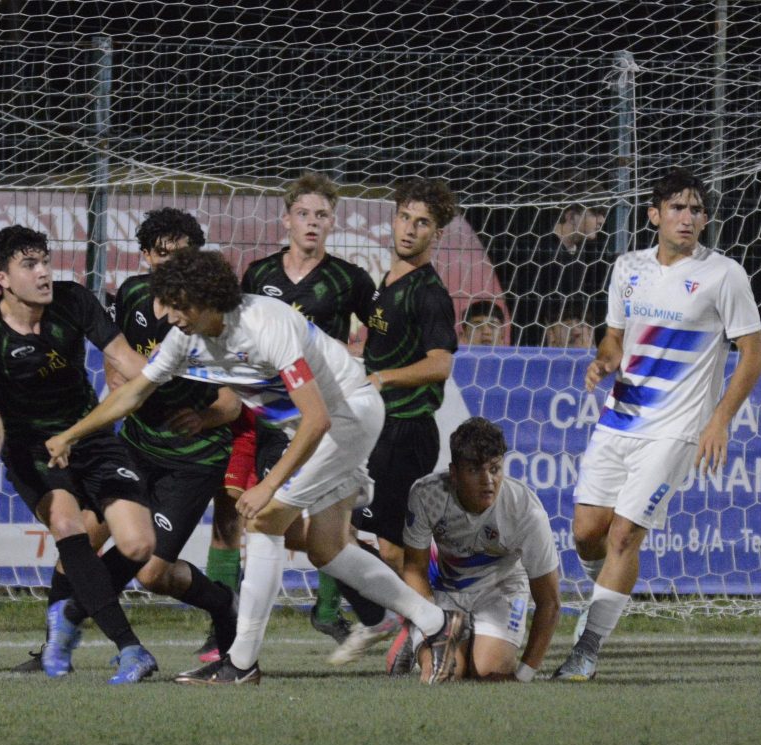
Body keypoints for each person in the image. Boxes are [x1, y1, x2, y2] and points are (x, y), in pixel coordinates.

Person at [45, 248, 469, 686]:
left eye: (175, 304)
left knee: (264, 520)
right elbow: (134, 393)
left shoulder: (266, 323)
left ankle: (242, 662)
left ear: (205, 298)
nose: (167, 316)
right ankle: (437, 623)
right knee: (327, 549)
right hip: (310, 427)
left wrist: (269, 487)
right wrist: (70, 435)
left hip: (348, 416)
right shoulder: (184, 339)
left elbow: (317, 416)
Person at [554, 168, 761, 681]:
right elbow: (614, 338)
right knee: (587, 534)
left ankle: (587, 648)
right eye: (677, 207)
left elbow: (753, 355)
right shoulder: (628, 267)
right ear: (654, 215)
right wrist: (604, 362)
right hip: (620, 417)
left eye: (696, 209)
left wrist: (719, 421)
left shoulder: (724, 274)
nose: (687, 217)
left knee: (625, 535)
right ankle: (603, 592)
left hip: (675, 430)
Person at [11, 207, 242, 674]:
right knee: (80, 534)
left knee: (152, 572)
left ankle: (222, 606)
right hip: (136, 444)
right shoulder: (134, 294)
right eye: (162, 255)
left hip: (192, 459)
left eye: (183, 256)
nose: (172, 265)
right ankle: (55, 647)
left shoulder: (210, 316)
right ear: (146, 257)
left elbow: (235, 401)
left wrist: (203, 417)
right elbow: (115, 361)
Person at [0, 225, 158, 684]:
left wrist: (172, 380)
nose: (45, 273)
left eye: (46, 261)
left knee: (138, 545)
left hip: (89, 435)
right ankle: (131, 647)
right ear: (3, 280)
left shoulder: (73, 301)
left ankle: (69, 614)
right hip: (33, 450)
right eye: (29, 265)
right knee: (69, 526)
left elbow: (129, 361)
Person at [241, 171, 375, 644]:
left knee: (318, 526)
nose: (312, 223)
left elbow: (376, 334)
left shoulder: (349, 279)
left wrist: (360, 359)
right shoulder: (258, 275)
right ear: (287, 220)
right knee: (275, 520)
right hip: (277, 417)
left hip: (329, 419)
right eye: (304, 214)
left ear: (332, 222)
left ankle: (342, 609)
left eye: (321, 215)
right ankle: (374, 605)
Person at [331, 176, 460, 666]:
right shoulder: (389, 281)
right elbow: (379, 349)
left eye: (422, 222)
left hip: (405, 430)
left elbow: (439, 363)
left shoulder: (429, 294)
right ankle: (407, 620)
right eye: (405, 217)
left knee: (391, 549)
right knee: (349, 534)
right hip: (377, 427)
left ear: (437, 234)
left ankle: (425, 625)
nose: (410, 229)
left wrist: (383, 377)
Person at [395, 417, 561, 680]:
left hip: (502, 590)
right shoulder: (427, 495)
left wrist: (524, 675)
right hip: (446, 590)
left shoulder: (526, 511)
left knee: (490, 674)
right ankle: (415, 644)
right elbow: (414, 569)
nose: (488, 480)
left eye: (495, 469)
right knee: (446, 673)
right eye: (474, 470)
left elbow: (550, 602)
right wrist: (429, 622)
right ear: (454, 472)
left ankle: (468, 641)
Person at [508, 202, 608, 347]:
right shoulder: (540, 252)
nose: (601, 220)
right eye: (594, 213)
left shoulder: (581, 256)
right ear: (570, 216)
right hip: (536, 348)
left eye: (603, 215)